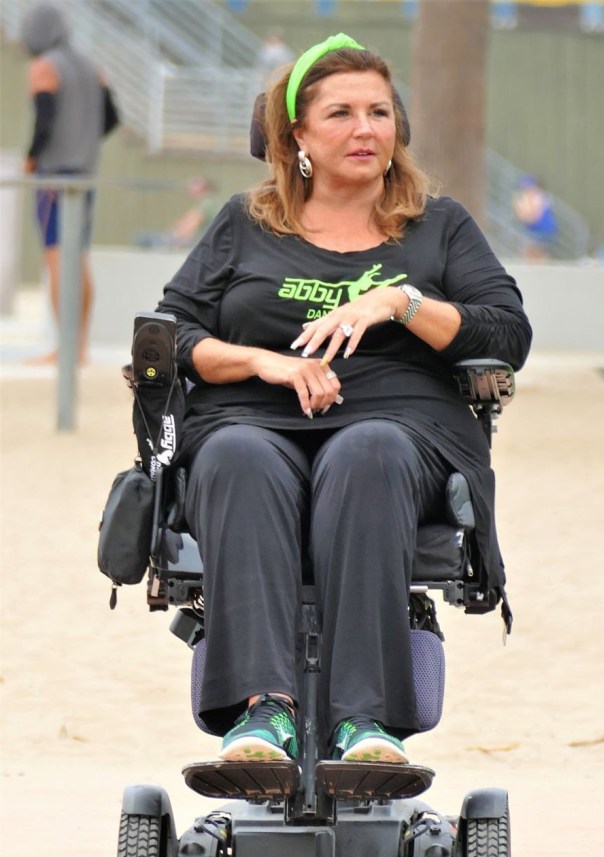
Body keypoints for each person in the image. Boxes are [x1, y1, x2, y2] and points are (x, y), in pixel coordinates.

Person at [157, 33, 532, 766]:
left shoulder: (439, 225)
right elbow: (168, 335)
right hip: (251, 419)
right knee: (235, 456)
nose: (366, 130)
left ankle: (367, 723)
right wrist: (263, 361)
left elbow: (505, 332)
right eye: (341, 114)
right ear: (296, 133)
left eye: (380, 112)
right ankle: (263, 715)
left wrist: (398, 300)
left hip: (402, 426)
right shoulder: (245, 223)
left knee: (369, 451)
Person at [21, 2, 119, 365]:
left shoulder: (43, 67)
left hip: (53, 176)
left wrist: (32, 159)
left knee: (57, 258)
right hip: (85, 173)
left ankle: (64, 347)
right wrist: (84, 141)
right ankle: (78, 347)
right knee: (77, 258)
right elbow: (111, 118)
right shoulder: (91, 66)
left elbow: (43, 122)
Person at [136, 177, 220, 251]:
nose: (188, 186)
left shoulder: (207, 204)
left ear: (202, 188)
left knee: (143, 238)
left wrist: (172, 239)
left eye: (194, 183)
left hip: (193, 246)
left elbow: (189, 229)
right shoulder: (204, 204)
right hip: (191, 244)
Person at [512, 174, 558, 261]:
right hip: (534, 230)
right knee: (531, 254)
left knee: (537, 254)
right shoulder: (530, 198)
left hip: (542, 230)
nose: (525, 191)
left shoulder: (538, 197)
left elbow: (533, 216)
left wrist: (523, 213)